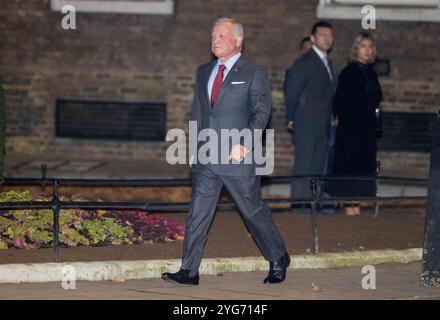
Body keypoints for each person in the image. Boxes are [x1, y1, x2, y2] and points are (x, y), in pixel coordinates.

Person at [161, 18, 290, 285]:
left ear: (238, 40)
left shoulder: (254, 72)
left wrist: (246, 142)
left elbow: (262, 111)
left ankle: (278, 257)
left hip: (237, 156)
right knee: (198, 212)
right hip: (207, 156)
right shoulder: (202, 71)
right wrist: (194, 146)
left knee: (252, 211)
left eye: (221, 35)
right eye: (213, 36)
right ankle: (189, 270)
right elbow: (198, 111)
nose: (215, 40)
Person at [283, 21, 338, 214]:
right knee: (304, 169)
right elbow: (292, 92)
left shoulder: (328, 63)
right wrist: (291, 117)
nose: (327, 38)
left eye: (330, 35)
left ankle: (312, 208)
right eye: (322, 34)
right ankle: (299, 211)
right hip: (306, 123)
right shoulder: (305, 62)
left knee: (316, 170)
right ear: (313, 39)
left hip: (323, 125)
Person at [331, 31, 382, 216]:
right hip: (351, 129)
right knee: (350, 165)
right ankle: (350, 207)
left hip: (367, 128)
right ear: (356, 49)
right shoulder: (349, 72)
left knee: (362, 165)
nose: (367, 51)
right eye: (363, 46)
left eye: (370, 47)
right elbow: (338, 101)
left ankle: (356, 205)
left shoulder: (371, 73)